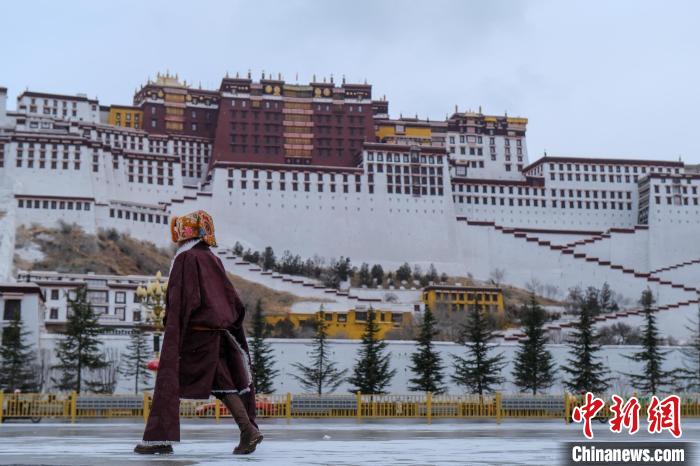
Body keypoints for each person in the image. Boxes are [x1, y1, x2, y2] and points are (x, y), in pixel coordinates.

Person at [134, 210, 263, 455]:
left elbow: (182, 299)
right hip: (217, 334)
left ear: (186, 233)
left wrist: (173, 328)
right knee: (223, 384)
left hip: (193, 336)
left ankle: (159, 439)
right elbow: (232, 300)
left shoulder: (186, 258)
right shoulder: (212, 258)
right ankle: (248, 431)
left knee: (169, 381)